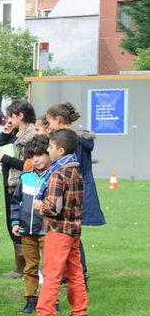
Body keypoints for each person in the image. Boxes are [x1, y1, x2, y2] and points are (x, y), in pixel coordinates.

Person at [23, 128, 88, 316]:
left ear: (60, 151)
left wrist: (39, 204)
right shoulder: (76, 171)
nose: (48, 151)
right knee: (75, 272)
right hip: (74, 229)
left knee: (51, 273)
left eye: (50, 147)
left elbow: (53, 207)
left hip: (57, 230)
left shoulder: (58, 174)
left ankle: (45, 315)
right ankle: (79, 311)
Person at [45, 102, 106, 276]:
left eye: (49, 122)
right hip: (78, 189)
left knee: (71, 234)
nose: (49, 126)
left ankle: (78, 273)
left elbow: (70, 169)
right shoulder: (76, 138)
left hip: (73, 192)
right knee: (71, 234)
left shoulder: (71, 141)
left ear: (57, 120)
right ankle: (72, 273)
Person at [0, 99, 37, 278]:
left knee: (21, 224)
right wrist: (5, 134)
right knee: (11, 223)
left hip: (21, 184)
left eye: (12, 115)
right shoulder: (15, 132)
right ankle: (20, 265)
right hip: (9, 183)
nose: (9, 119)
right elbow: (0, 150)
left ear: (20, 115)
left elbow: (28, 165)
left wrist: (5, 159)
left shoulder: (31, 136)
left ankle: (25, 267)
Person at [10, 135, 50, 315]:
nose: (36, 159)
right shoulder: (25, 178)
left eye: (40, 155)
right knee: (30, 267)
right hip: (27, 231)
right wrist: (16, 222)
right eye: (32, 156)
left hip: (47, 231)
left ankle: (51, 300)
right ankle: (31, 299)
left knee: (49, 268)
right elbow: (15, 202)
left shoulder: (54, 177)